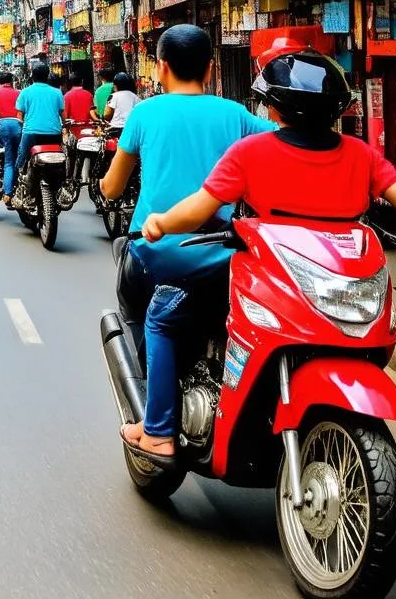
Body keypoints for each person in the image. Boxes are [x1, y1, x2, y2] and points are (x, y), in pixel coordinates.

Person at [132, 45, 396, 461]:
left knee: (162, 316)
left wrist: (160, 223)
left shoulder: (251, 153)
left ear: (273, 109)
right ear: (337, 110)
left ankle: (158, 430)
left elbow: (200, 208)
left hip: (274, 280)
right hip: (340, 287)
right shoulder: (360, 154)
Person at [97, 25, 276, 460]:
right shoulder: (234, 115)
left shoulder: (145, 114)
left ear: (160, 67)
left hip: (158, 252)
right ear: (211, 69)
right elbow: (276, 138)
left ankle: (155, 421)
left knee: (143, 307)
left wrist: (107, 183)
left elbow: (113, 189)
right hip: (225, 254)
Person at [15, 62, 65, 184]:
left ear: (32, 75)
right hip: (54, 135)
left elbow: (19, 116)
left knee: (21, 159)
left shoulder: (25, 92)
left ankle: (17, 183)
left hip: (31, 134)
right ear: (47, 76)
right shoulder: (57, 93)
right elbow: (63, 116)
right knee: (59, 161)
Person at [0, 72, 22, 203]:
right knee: (19, 157)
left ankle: (7, 192)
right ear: (11, 81)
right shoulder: (19, 93)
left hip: (4, 126)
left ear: (0, 82)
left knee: (8, 161)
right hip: (18, 125)